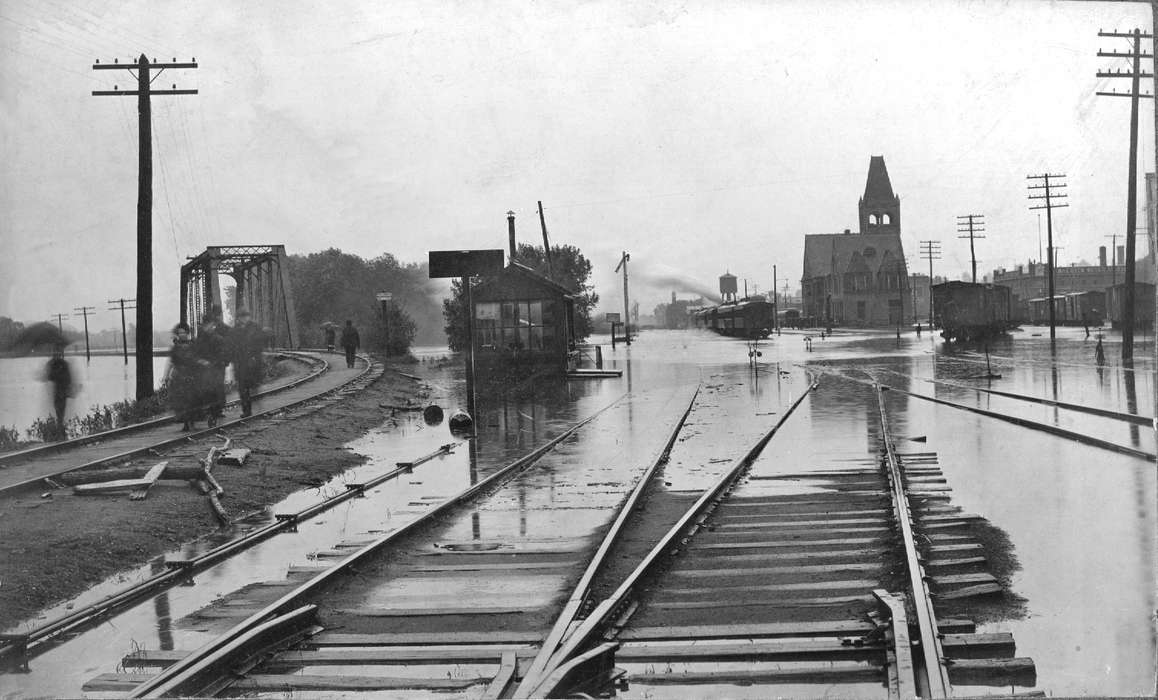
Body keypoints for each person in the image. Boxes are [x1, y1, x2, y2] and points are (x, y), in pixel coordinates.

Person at [229, 309, 270, 417]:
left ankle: (253, 403)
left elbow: (261, 342)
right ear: (238, 319)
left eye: (246, 316)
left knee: (250, 384)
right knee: (243, 388)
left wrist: (255, 355)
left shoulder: (255, 327)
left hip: (253, 361)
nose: (244, 319)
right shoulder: (234, 330)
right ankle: (246, 411)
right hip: (240, 362)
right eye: (242, 317)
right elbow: (232, 346)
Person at [195, 308, 230, 427]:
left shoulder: (218, 339)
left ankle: (214, 414)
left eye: (210, 325)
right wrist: (200, 361)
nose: (208, 327)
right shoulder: (200, 340)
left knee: (216, 391)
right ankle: (211, 412)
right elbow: (195, 354)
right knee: (207, 392)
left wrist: (215, 363)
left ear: (213, 325)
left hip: (216, 369)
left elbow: (223, 354)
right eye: (206, 325)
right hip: (205, 370)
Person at [166, 323, 204, 430]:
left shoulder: (193, 345)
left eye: (184, 332)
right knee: (181, 399)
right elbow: (171, 362)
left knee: (192, 399)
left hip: (191, 374)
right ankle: (185, 422)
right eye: (180, 333)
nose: (182, 335)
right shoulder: (175, 347)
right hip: (179, 375)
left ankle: (191, 421)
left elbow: (197, 359)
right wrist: (167, 375)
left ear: (187, 333)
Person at [44, 343, 72, 440]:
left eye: (57, 352)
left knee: (60, 412)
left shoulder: (62, 364)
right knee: (59, 412)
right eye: (54, 352)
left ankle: (60, 432)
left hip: (61, 391)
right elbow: (48, 376)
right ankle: (60, 432)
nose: (56, 354)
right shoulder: (54, 364)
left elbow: (68, 378)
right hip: (57, 391)